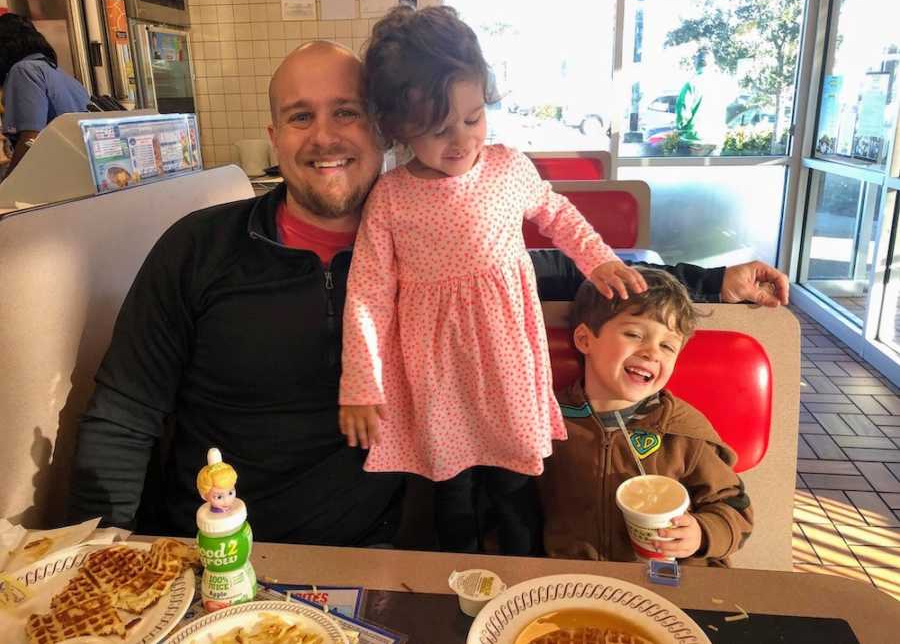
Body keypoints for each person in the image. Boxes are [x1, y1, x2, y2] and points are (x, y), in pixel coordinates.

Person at [67, 39, 787, 546]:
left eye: (345, 111)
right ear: (273, 134)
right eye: (300, 116)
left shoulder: (446, 223)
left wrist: (712, 278)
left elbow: (563, 264)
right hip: (209, 543)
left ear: (382, 127)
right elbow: (125, 412)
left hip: (364, 548)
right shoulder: (199, 248)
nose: (325, 136)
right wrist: (101, 548)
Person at [339, 6, 646, 555]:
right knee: (450, 497)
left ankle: (526, 588)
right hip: (437, 376)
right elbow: (367, 295)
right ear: (397, 128)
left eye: (473, 118)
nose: (460, 140)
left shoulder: (508, 168)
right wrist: (362, 386)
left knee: (515, 488)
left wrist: (597, 259)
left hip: (506, 362)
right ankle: (459, 593)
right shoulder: (390, 198)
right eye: (438, 129)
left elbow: (555, 214)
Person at [540, 268, 753, 565]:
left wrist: (701, 533)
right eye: (634, 334)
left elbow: (734, 508)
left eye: (667, 346)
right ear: (585, 339)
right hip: (575, 584)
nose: (652, 353)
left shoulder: (683, 432)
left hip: (670, 585)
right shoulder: (546, 422)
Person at [0, 13, 90, 176]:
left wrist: (9, 183)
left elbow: (30, 139)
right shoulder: (63, 76)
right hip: (77, 173)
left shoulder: (23, 70)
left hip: (54, 176)